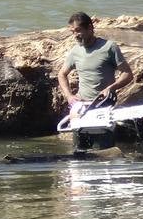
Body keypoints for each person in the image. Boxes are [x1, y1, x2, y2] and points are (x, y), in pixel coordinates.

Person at [57, 12, 134, 150]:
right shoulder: (76, 51)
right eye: (72, 32)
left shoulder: (109, 47)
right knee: (79, 151)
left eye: (78, 30)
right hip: (82, 105)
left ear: (90, 28)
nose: (75, 35)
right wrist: (69, 96)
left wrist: (111, 88)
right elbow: (62, 74)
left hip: (103, 104)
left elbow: (127, 74)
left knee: (103, 149)